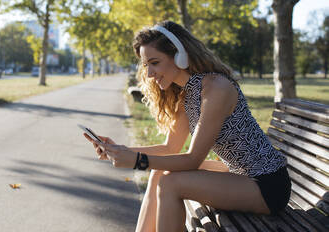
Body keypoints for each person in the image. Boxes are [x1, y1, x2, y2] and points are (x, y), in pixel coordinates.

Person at [84, 20, 291, 232]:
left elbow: (193, 160)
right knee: (159, 172)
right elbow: (169, 149)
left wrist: (137, 161)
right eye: (146, 65)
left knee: (170, 184)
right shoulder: (188, 95)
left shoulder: (216, 89)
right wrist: (120, 150)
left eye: (155, 62)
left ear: (180, 56)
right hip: (239, 174)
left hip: (267, 184)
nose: (149, 74)